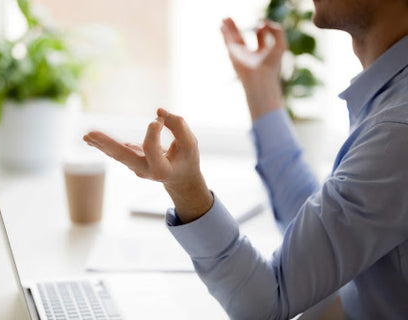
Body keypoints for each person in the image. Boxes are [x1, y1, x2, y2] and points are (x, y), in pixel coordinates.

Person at [83, 0, 408, 318]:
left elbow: (268, 303)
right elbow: (320, 232)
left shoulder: (397, 129)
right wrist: (261, 86)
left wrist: (187, 190)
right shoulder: (392, 101)